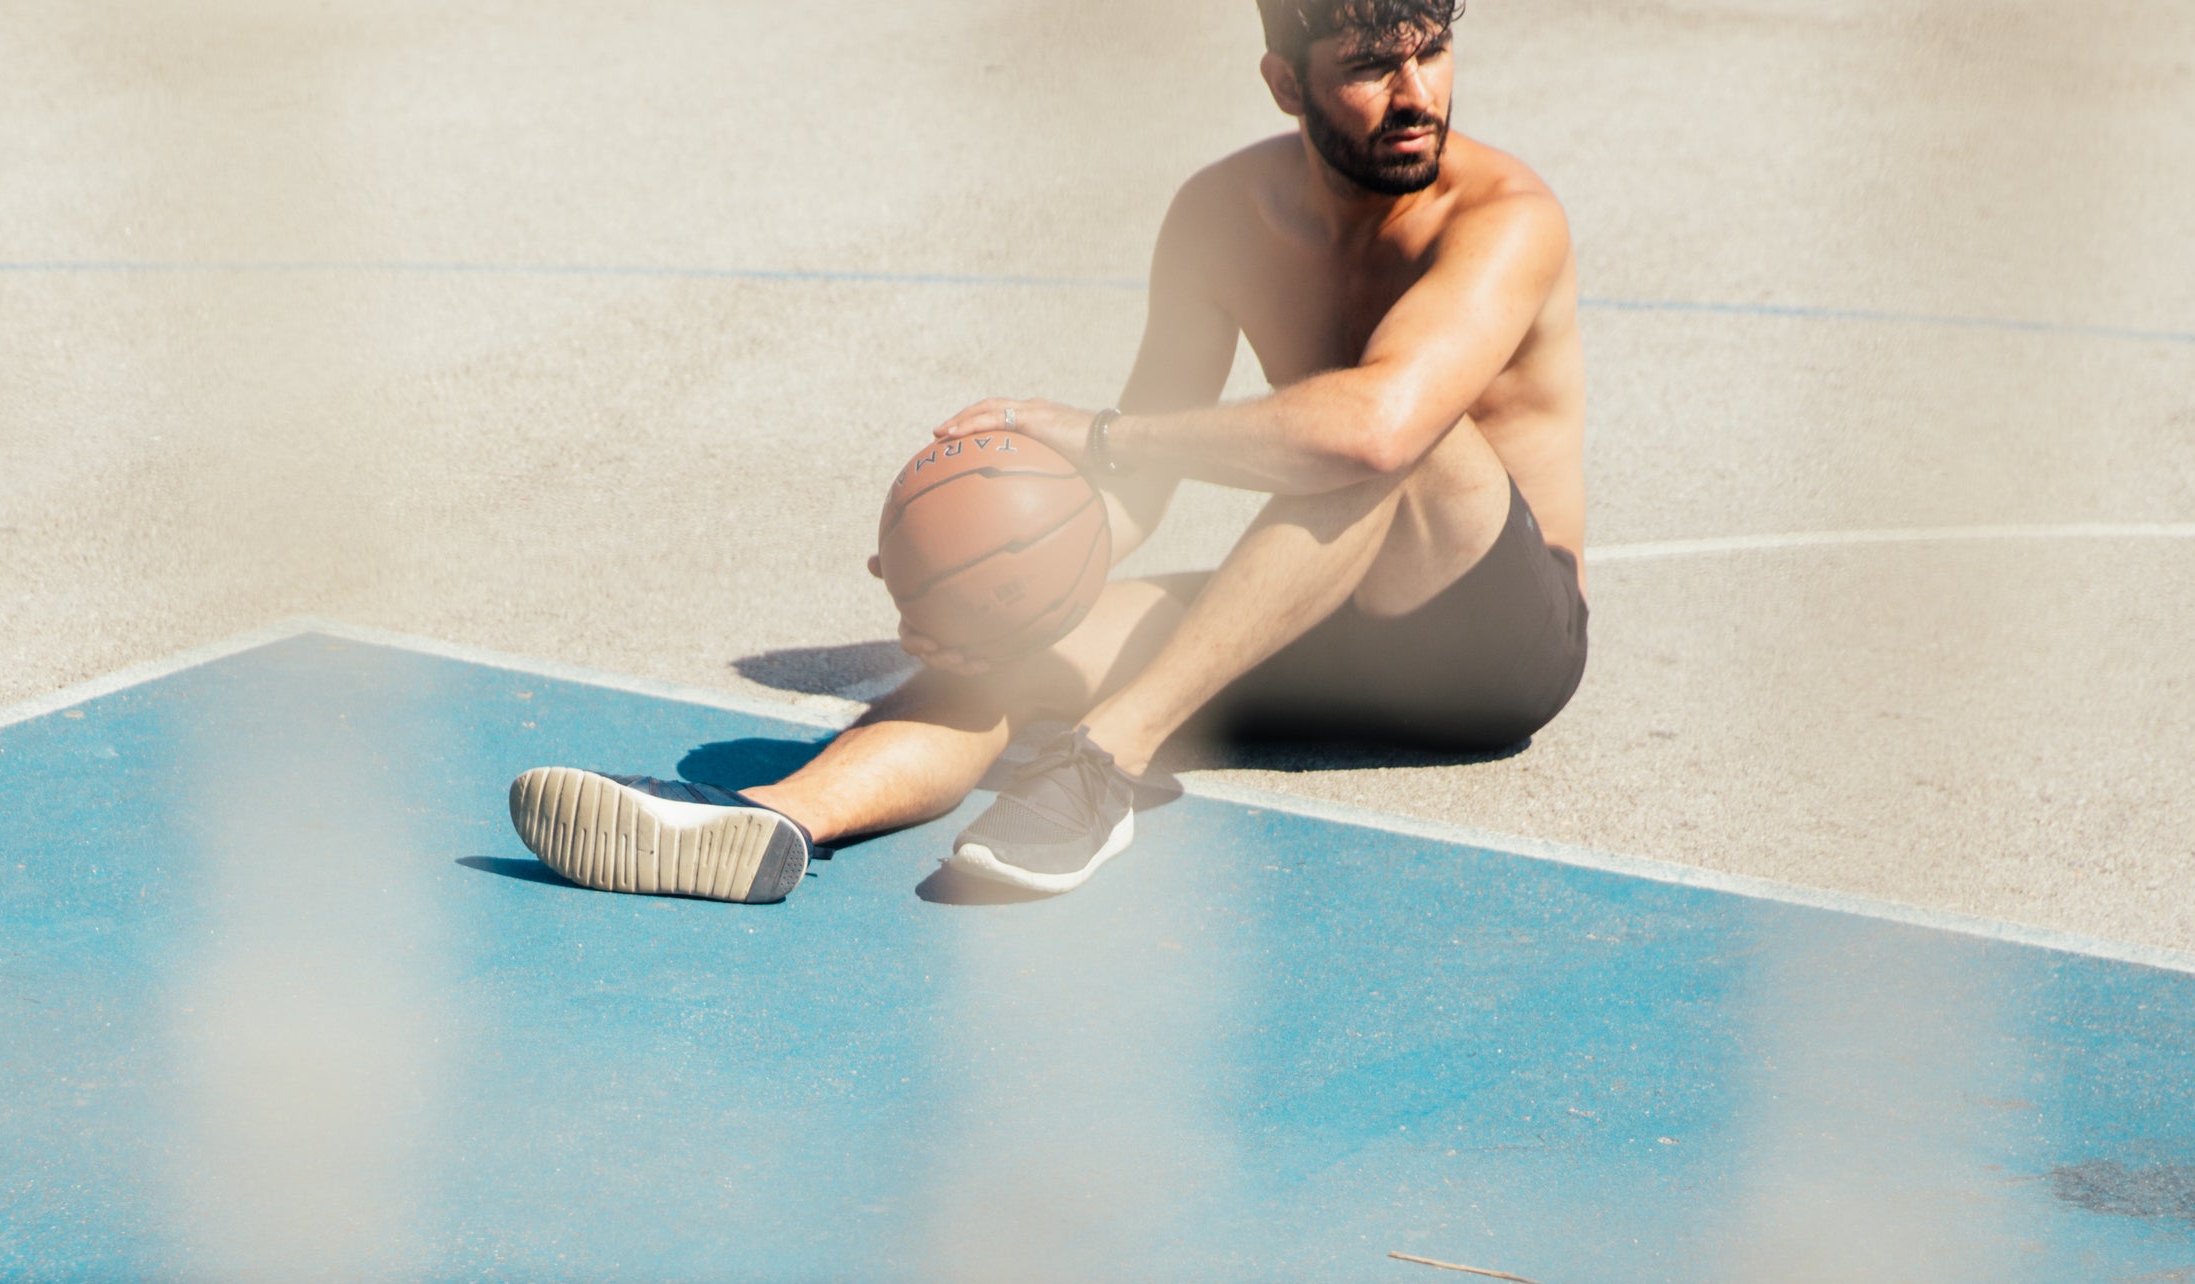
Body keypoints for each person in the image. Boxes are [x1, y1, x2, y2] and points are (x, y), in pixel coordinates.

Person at [508, 0, 1586, 904]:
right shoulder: (1221, 216)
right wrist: (993, 577)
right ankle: (771, 823)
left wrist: (1100, 434)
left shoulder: (1504, 216)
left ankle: (1100, 768)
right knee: (1018, 646)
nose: (1417, 96)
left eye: (1430, 52)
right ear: (1282, 82)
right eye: (1368, 67)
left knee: (1389, 432)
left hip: (1490, 645)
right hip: (1319, 618)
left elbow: (1376, 429)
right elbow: (1138, 491)